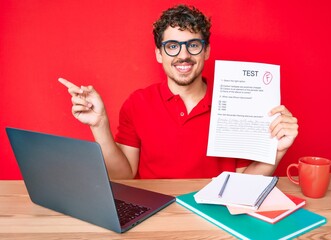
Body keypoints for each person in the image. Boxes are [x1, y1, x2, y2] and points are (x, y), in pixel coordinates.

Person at [59, 4, 298, 179]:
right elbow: (123, 176)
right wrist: (99, 124)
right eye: (172, 46)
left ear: (206, 51)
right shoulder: (138, 103)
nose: (183, 55)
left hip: (217, 217)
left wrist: (277, 151)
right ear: (159, 54)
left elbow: (244, 182)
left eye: (193, 45)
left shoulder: (238, 103)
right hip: (155, 217)